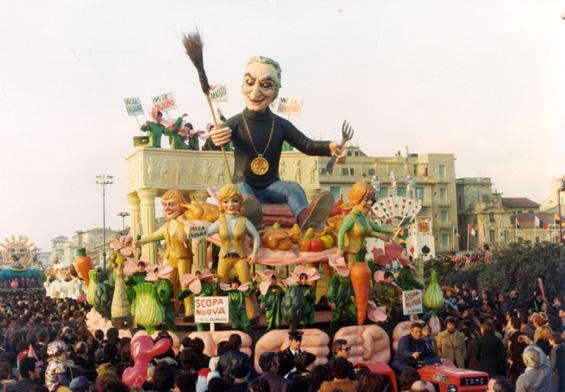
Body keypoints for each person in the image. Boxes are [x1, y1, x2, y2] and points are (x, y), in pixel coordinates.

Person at [210, 56, 347, 230]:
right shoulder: (236, 122)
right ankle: (253, 218)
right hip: (244, 185)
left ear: (276, 92)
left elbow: (306, 144)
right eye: (249, 82)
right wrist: (214, 137)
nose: (255, 92)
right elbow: (212, 143)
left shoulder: (280, 124)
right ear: (242, 86)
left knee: (293, 188)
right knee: (243, 192)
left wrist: (330, 147)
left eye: (266, 85)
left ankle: (306, 219)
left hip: (271, 187)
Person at [135, 190, 192, 313]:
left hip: (183, 258)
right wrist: (141, 241)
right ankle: (173, 309)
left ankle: (188, 310)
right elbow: (155, 235)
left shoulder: (185, 223)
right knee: (168, 284)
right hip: (171, 258)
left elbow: (193, 233)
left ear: (181, 205)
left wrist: (186, 236)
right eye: (165, 205)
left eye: (171, 204)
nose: (167, 208)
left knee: (184, 283)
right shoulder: (167, 225)